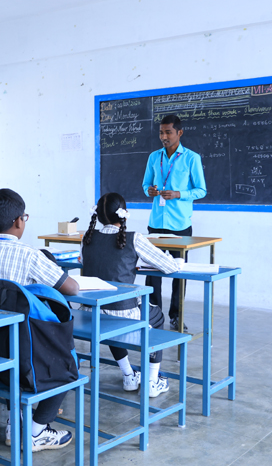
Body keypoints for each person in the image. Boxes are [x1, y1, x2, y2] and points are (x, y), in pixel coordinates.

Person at [0, 188, 79, 452]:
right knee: (69, 363)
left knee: (11, 344)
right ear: (19, 221)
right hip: (21, 352)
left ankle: (13, 423)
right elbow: (72, 288)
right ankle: (36, 431)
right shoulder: (28, 254)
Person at [81, 192, 181, 397]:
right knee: (156, 316)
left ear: (99, 215)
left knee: (108, 321)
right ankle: (152, 381)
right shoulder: (134, 238)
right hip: (123, 312)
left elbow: (85, 261)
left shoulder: (87, 237)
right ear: (124, 214)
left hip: (92, 312)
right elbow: (169, 266)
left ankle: (129, 375)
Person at [142, 114, 207, 332]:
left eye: (168, 132)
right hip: (156, 224)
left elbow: (201, 190)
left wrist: (179, 194)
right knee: (152, 273)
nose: (164, 136)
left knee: (179, 274)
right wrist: (150, 190)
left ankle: (176, 316)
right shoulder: (154, 157)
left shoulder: (191, 158)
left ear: (179, 132)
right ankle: (153, 315)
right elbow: (145, 184)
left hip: (180, 225)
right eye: (161, 132)